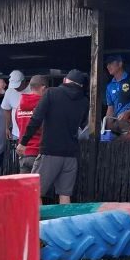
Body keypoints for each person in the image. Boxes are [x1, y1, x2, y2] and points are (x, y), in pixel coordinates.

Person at [18, 70, 89, 204]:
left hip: (50, 152)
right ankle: (65, 218)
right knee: (65, 195)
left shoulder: (51, 93)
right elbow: (82, 125)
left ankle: (37, 219)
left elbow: (36, 119)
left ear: (65, 80)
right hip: (71, 155)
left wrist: (24, 142)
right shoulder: (84, 101)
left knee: (34, 191)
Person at [14, 75, 49, 172]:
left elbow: (19, 126)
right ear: (43, 88)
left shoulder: (19, 107)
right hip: (38, 153)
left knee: (25, 182)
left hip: (23, 153)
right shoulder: (44, 106)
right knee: (41, 182)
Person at [1, 70, 28, 142]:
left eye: (17, 85)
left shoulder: (32, 90)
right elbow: (6, 110)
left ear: (23, 81)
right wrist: (7, 127)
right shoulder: (9, 91)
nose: (15, 88)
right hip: (15, 132)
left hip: (30, 133)